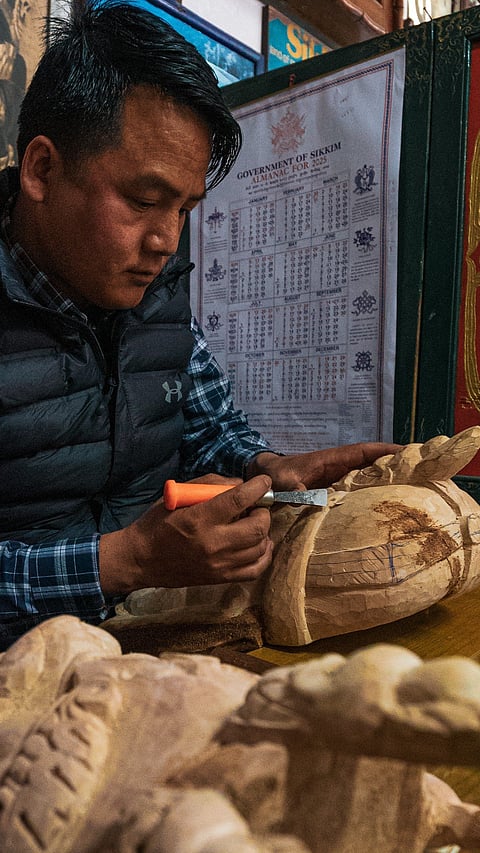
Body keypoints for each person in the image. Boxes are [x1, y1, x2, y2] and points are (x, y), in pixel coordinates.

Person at [0, 0, 400, 650]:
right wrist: (123, 560)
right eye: (144, 200)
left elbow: (206, 425)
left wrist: (268, 466)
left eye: (185, 208)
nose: (165, 240)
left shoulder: (155, 288)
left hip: (152, 634)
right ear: (42, 169)